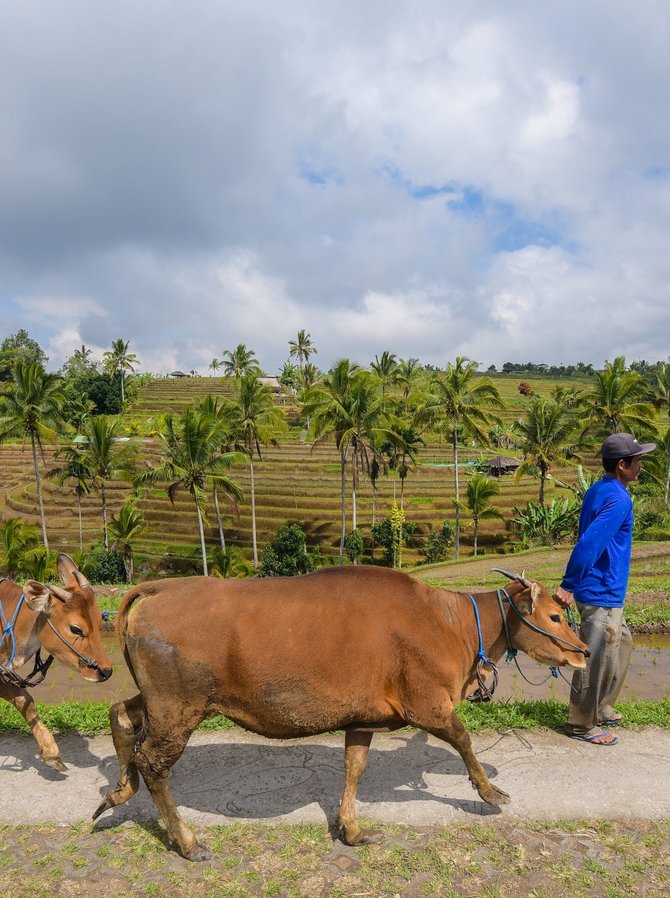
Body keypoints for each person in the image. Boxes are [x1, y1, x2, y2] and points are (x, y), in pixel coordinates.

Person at [554, 433, 655, 746]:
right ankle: (581, 723)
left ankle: (602, 705)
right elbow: (590, 542)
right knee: (595, 657)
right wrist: (569, 584)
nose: (640, 465)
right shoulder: (618, 499)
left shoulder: (600, 488)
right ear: (622, 465)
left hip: (608, 589)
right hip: (599, 591)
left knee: (622, 643)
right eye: (637, 461)